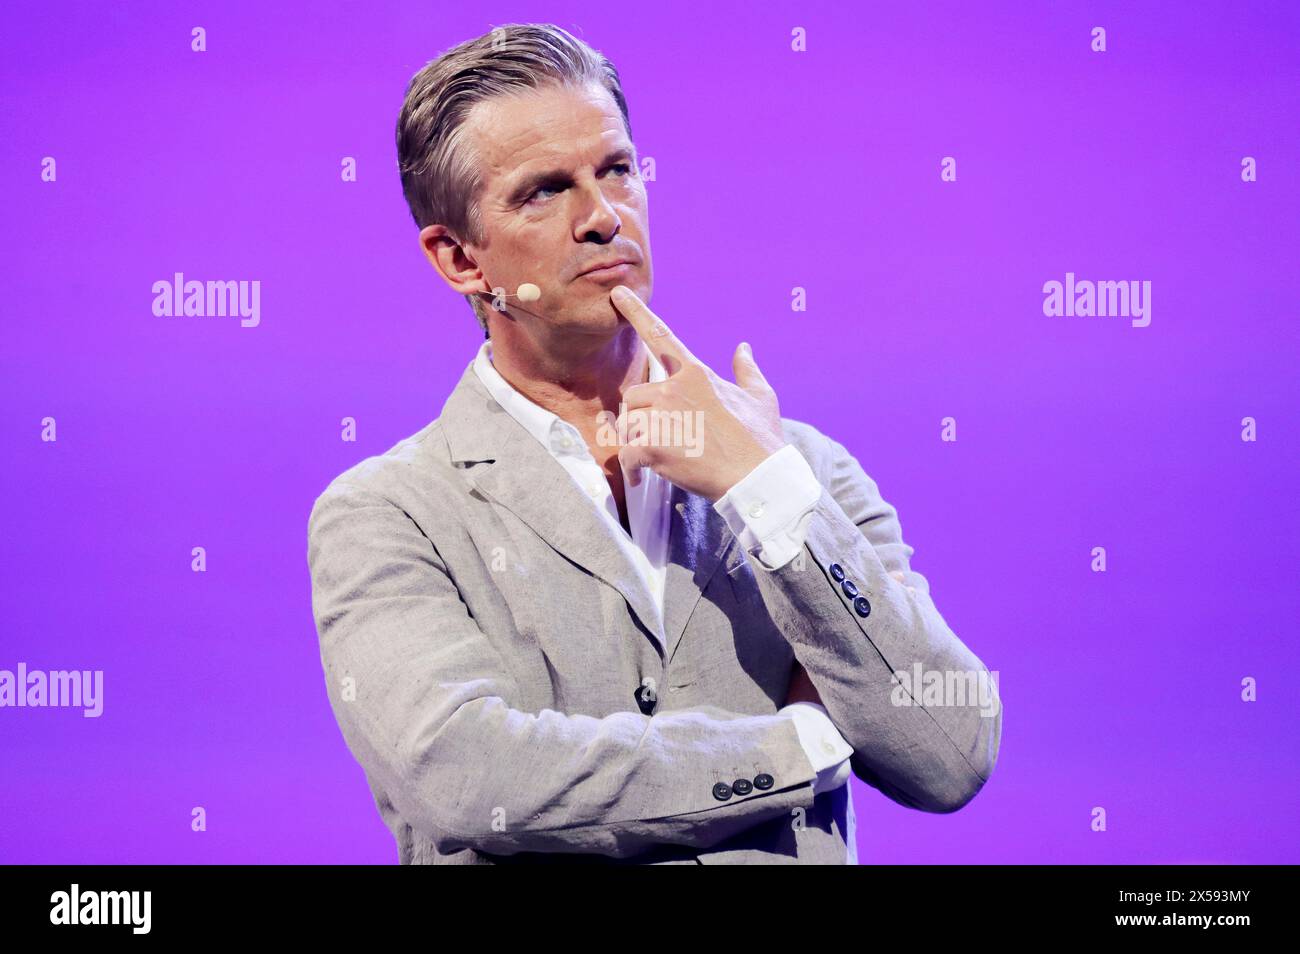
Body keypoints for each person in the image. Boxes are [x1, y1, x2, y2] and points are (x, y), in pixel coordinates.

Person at [306, 22, 1001, 864]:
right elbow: (470, 779)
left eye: (618, 170)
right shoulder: (388, 512)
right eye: (544, 191)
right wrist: (805, 746)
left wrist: (759, 487)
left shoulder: (800, 468)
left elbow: (951, 752)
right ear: (459, 259)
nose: (602, 217)